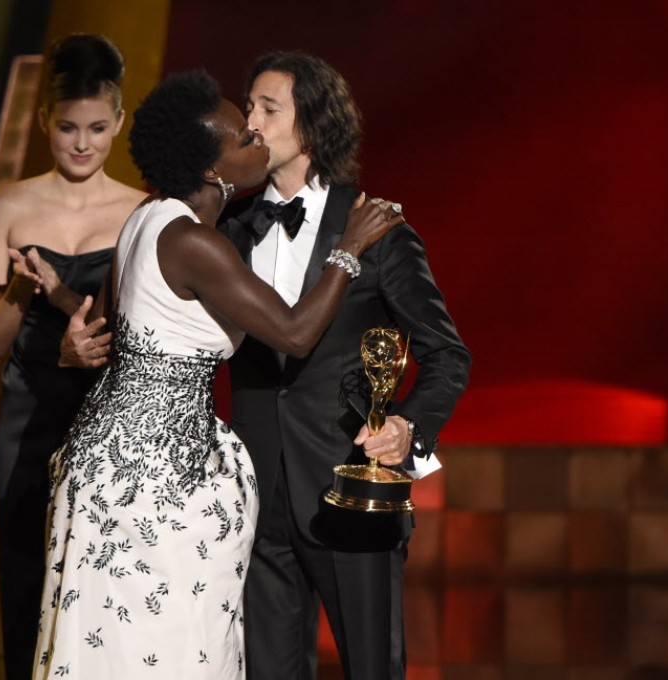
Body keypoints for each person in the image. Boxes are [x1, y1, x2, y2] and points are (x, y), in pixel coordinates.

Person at [33, 68, 403, 679]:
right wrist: (350, 248)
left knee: (121, 644)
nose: (256, 136)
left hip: (116, 455)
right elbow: (292, 332)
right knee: (163, 645)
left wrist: (66, 320)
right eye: (242, 138)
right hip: (154, 479)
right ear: (213, 169)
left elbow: (110, 326)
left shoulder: (147, 218)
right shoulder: (190, 240)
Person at [227, 51, 471, 679]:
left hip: (349, 487)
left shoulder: (377, 227)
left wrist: (407, 428)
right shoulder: (227, 230)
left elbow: (447, 355)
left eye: (266, 108)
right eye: (248, 105)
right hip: (255, 496)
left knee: (372, 668)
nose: (248, 121)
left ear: (309, 126)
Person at [0, 33, 145, 680]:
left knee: (106, 585)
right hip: (29, 413)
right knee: (26, 581)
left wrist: (88, 350)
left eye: (98, 128)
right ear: (45, 119)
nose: (82, 143)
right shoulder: (8, 206)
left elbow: (140, 333)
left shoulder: (141, 211)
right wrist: (22, 288)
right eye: (69, 126)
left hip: (108, 415)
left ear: (119, 123)